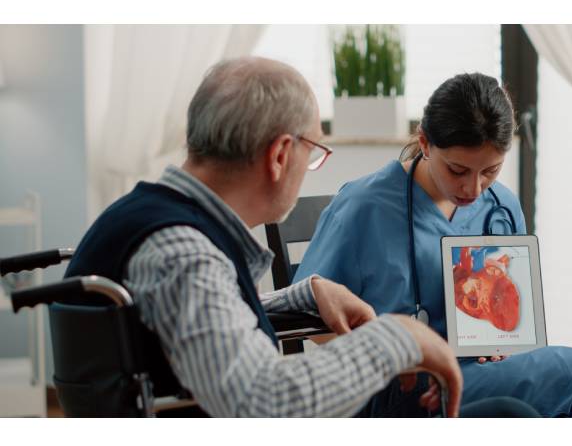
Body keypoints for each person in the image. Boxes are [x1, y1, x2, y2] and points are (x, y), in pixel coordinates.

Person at [63, 58, 538, 418]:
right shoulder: (184, 253)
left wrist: (304, 295)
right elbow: (262, 401)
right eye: (314, 152)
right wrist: (397, 337)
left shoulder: (154, 224)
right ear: (280, 155)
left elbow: (186, 327)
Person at [294, 72, 572, 417]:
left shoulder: (502, 207)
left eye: (490, 171)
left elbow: (514, 321)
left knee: (533, 410)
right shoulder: (364, 206)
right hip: (399, 387)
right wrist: (393, 354)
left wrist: (504, 348)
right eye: (458, 170)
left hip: (478, 378)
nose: (473, 188)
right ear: (425, 143)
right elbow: (309, 318)